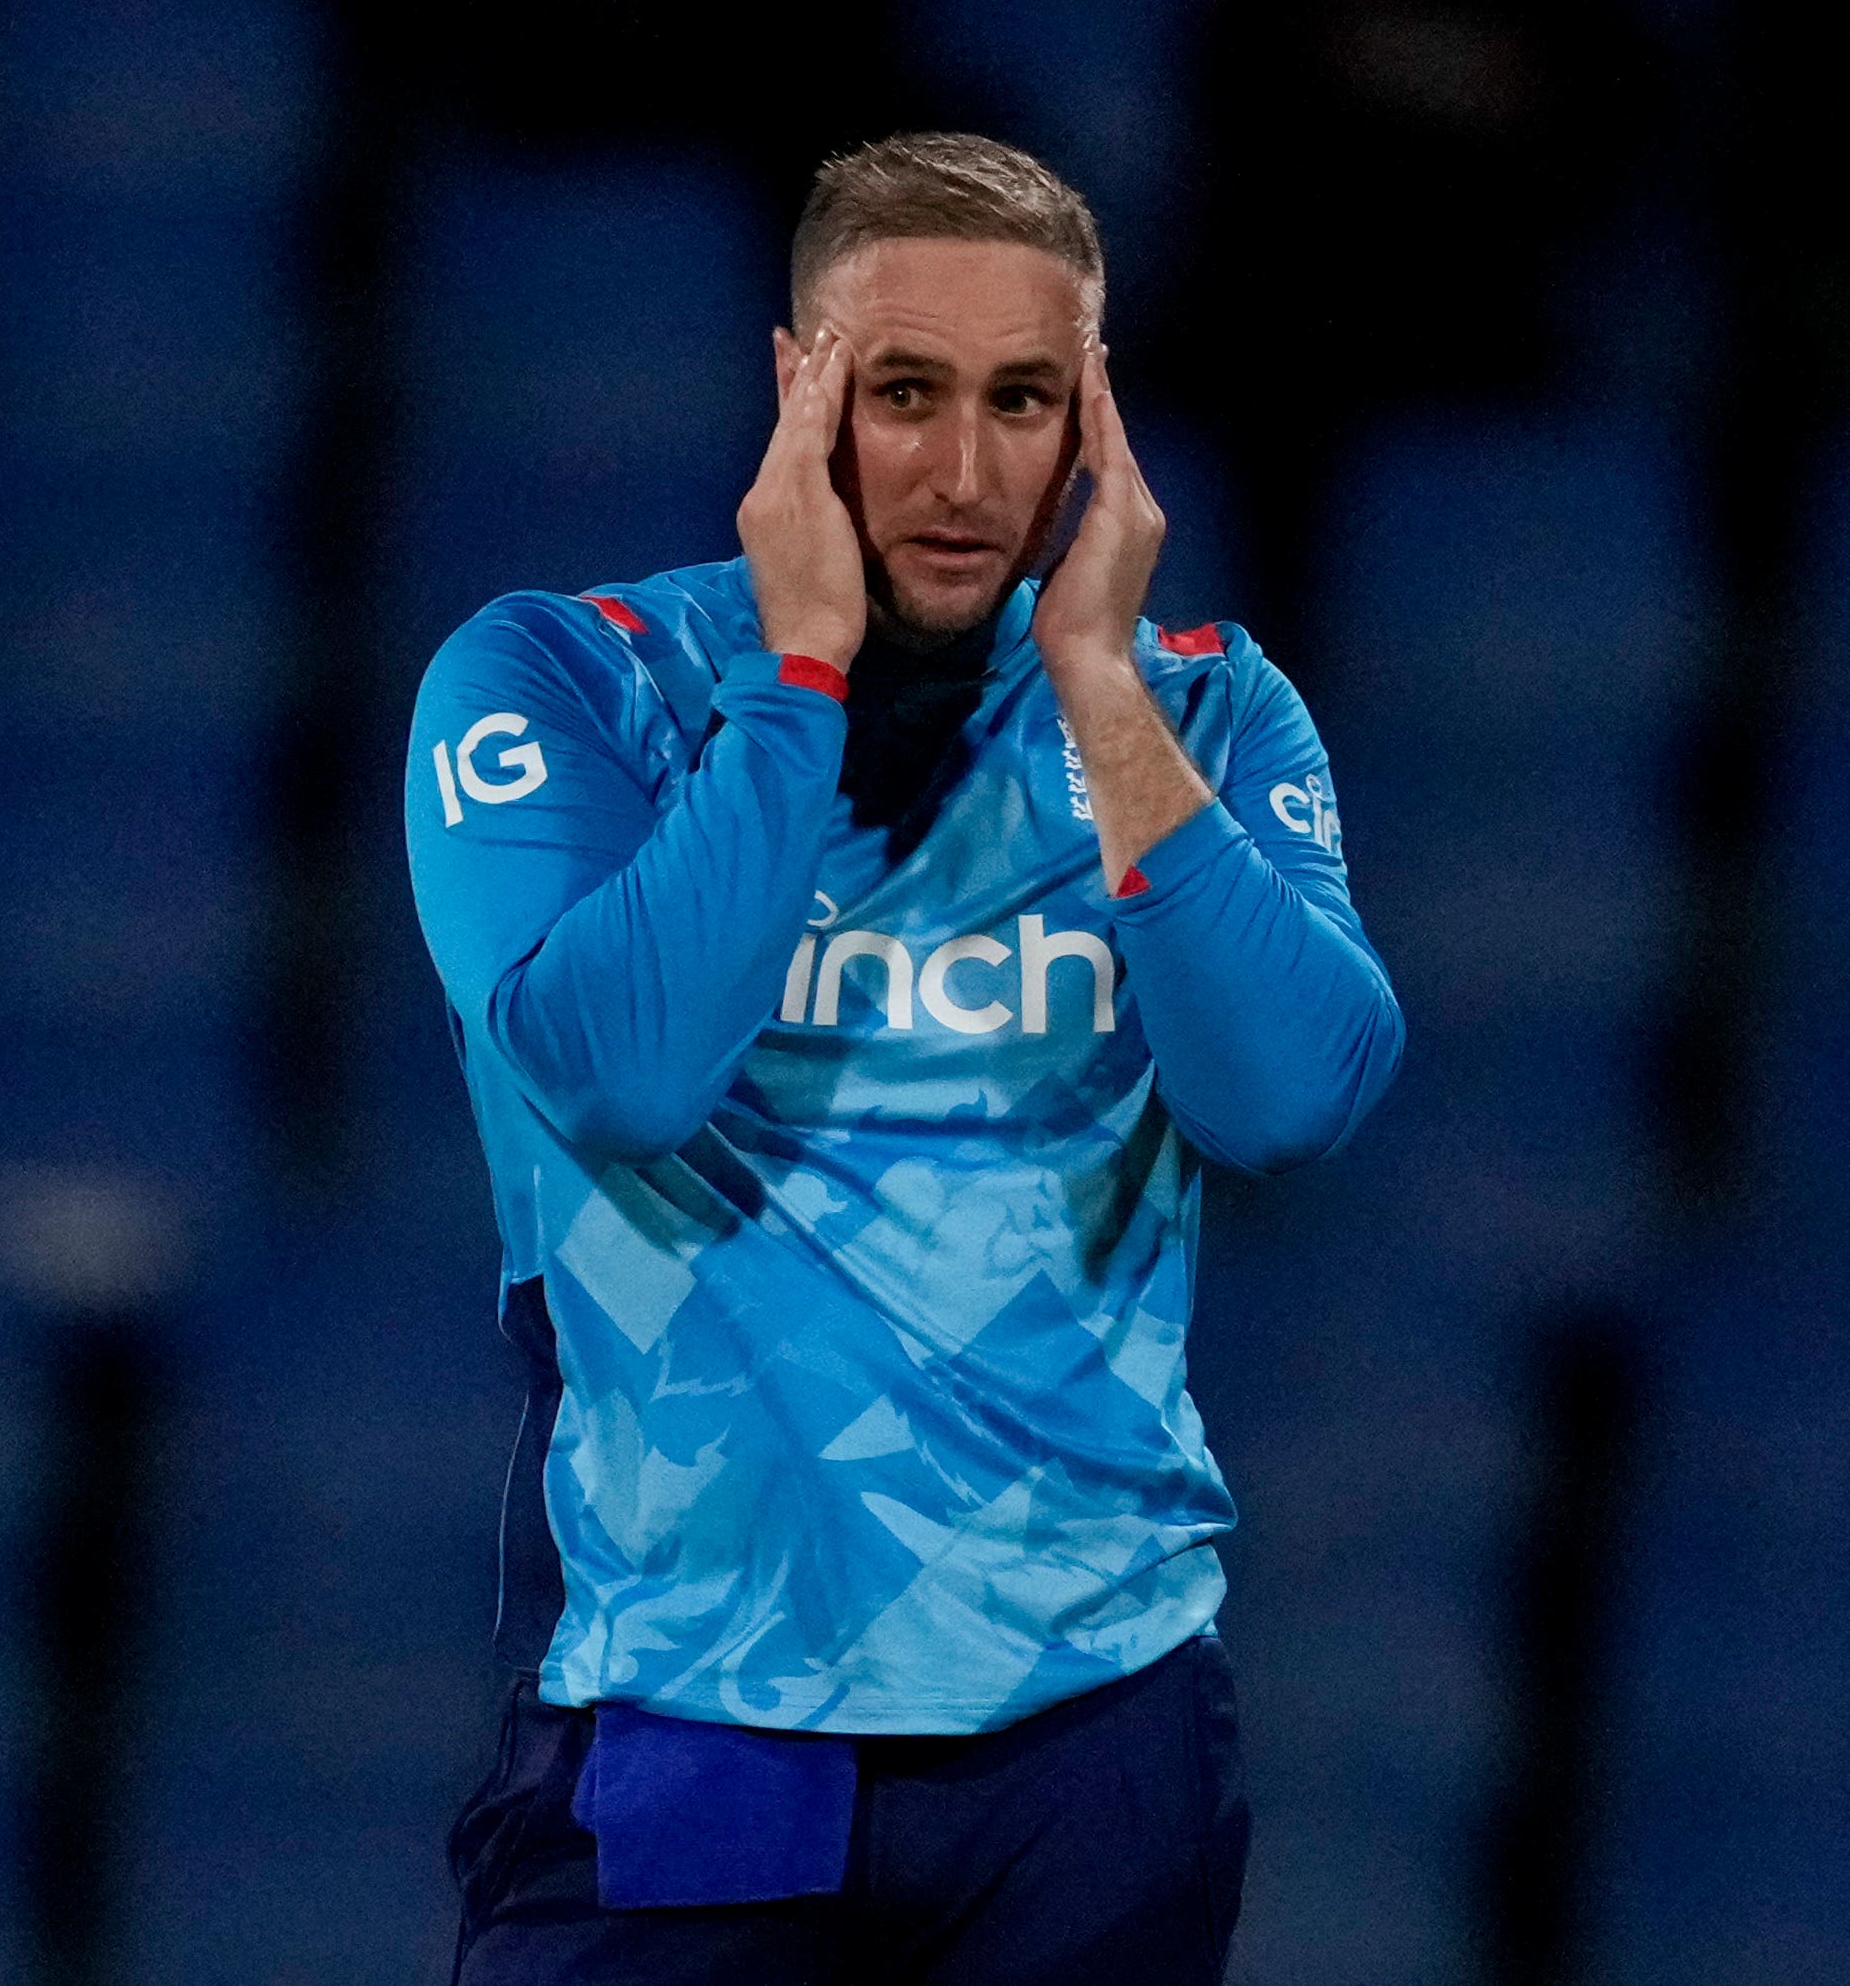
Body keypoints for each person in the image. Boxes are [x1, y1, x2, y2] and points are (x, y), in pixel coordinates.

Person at [406, 134, 1404, 1983]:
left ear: (1090, 424)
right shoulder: (564, 682)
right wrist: (797, 681)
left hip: (1091, 1738)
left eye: (1023, 401)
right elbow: (616, 1073)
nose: (961, 471)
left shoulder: (1197, 706)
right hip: (691, 1700)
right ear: (800, 392)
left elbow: (1291, 1098)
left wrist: (1096, 686)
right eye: (903, 394)